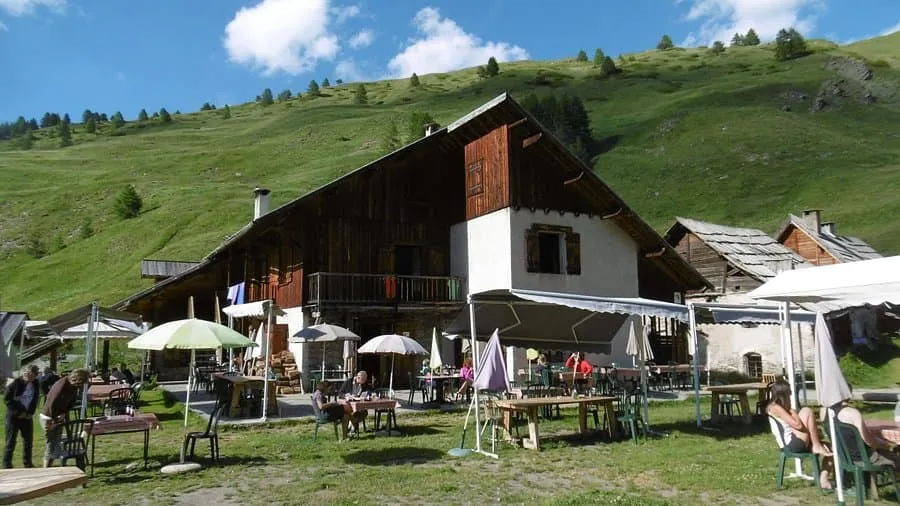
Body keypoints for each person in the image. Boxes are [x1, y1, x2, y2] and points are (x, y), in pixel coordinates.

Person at [766, 380, 833, 488]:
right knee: (807, 411)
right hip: (791, 444)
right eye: (789, 392)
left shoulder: (781, 407)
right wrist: (792, 411)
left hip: (797, 440)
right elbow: (798, 425)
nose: (791, 395)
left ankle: (823, 479)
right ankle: (816, 445)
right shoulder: (775, 407)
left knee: (831, 448)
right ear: (783, 394)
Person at [39, 368, 88, 468]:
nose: (81, 386)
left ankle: (49, 467)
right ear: (77, 379)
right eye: (80, 383)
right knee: (51, 445)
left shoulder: (73, 386)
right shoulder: (61, 385)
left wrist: (64, 414)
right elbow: (52, 402)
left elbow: (71, 403)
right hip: (49, 417)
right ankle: (45, 471)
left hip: (58, 417)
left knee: (55, 443)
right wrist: (54, 420)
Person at [3, 366, 39, 468]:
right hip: (14, 417)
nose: (30, 376)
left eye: (33, 375)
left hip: (27, 416)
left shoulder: (36, 383)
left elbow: (35, 399)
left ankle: (27, 463)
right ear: (24, 373)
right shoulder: (15, 383)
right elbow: (7, 399)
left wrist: (30, 413)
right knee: (11, 441)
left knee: (28, 441)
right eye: (28, 373)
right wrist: (19, 412)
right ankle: (7, 464)